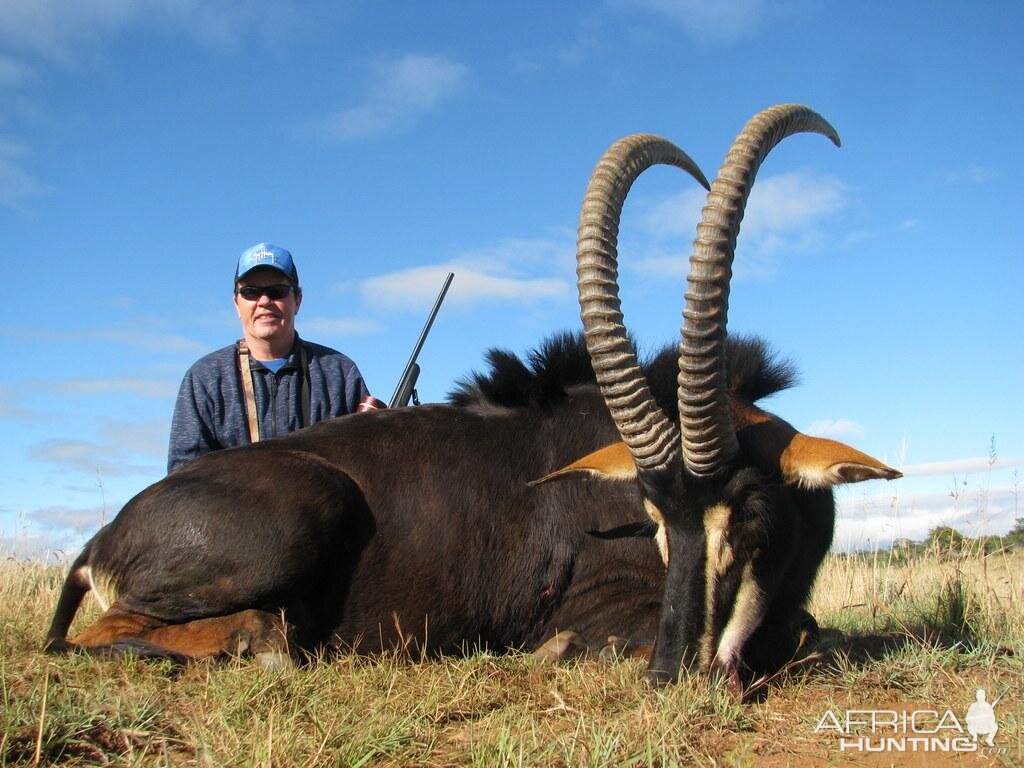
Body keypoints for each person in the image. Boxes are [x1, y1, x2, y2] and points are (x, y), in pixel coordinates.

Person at [168, 243, 373, 472]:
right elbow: (183, 478)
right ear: (237, 303)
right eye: (251, 292)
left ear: (298, 300)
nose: (264, 302)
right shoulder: (204, 379)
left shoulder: (341, 373)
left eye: (277, 291)